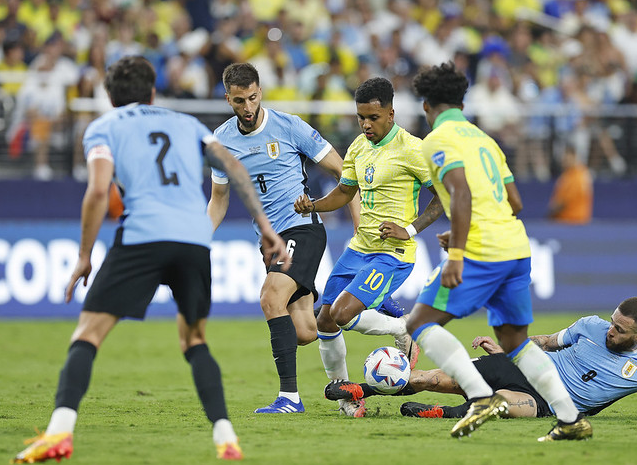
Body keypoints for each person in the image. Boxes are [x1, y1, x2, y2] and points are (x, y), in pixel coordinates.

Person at [12, 56, 290, 464]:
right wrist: (266, 228)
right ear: (153, 93)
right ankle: (226, 439)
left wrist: (85, 255)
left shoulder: (104, 127)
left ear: (110, 97)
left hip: (143, 235)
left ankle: (58, 433)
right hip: (194, 239)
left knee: (87, 334)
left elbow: (98, 192)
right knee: (194, 341)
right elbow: (233, 167)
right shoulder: (187, 124)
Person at [403, 62, 591, 441]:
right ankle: (571, 420)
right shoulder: (485, 140)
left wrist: (458, 252)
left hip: (483, 249)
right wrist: (467, 228)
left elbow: (461, 192)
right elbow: (515, 202)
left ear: (426, 106)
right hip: (517, 246)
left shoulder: (437, 140)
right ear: (462, 103)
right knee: (515, 343)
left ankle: (479, 397)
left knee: (418, 323)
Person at [326, 297, 637, 421]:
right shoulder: (589, 325)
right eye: (612, 322)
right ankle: (359, 389)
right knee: (434, 377)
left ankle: (436, 414)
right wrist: (508, 348)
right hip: (524, 367)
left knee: (505, 406)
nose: (610, 330)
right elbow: (546, 341)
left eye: (620, 330)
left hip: (550, 400)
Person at [207, 62, 358, 415]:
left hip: (302, 226)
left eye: (253, 98)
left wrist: (359, 225)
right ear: (228, 99)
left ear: (260, 92)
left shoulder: (289, 126)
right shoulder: (221, 142)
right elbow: (218, 200)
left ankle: (289, 398)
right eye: (240, 101)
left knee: (270, 297)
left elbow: (344, 172)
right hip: (270, 242)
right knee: (304, 331)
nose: (248, 107)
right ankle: (375, 320)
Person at [294, 77, 443, 417]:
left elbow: (443, 198)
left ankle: (403, 328)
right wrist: (313, 205)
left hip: (392, 254)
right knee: (325, 322)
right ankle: (346, 398)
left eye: (373, 118)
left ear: (391, 113)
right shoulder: (358, 147)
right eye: (361, 117)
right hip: (359, 248)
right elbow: (345, 193)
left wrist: (409, 229)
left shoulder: (412, 148)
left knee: (342, 314)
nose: (366, 124)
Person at [547, 146, 593, 224]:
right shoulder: (566, 175)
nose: (563, 161)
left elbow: (564, 202)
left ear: (574, 156)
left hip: (573, 221)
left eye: (566, 158)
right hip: (564, 220)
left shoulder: (578, 175)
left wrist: (550, 214)